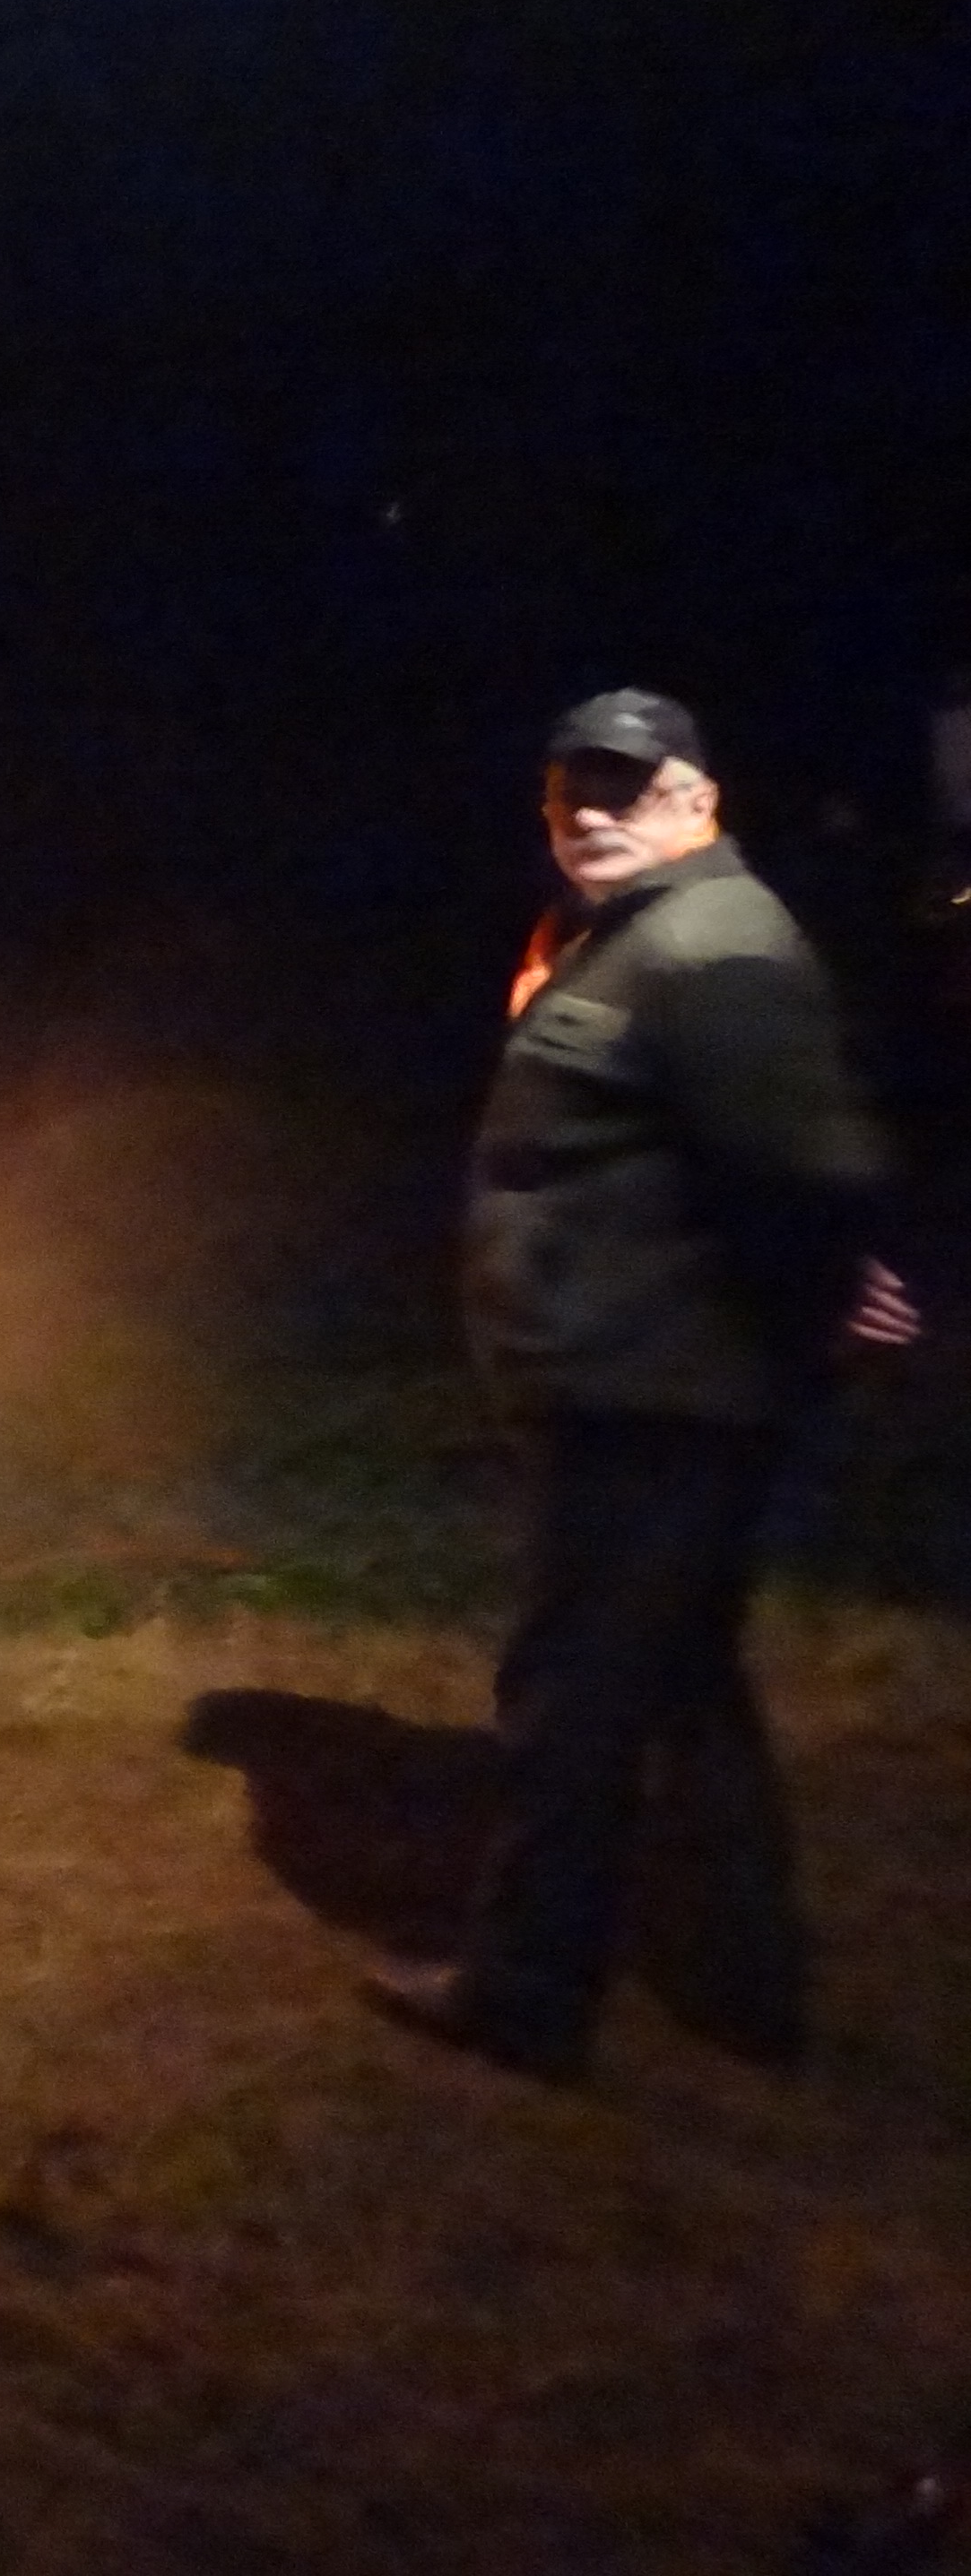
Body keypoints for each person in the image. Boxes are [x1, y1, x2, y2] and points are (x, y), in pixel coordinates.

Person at [368, 690, 921, 2081]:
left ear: (696, 798)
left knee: (572, 1696)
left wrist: (827, 1289)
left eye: (628, 787)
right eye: (571, 793)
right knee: (681, 1681)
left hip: (658, 1393)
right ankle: (750, 1984)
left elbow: (797, 1166)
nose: (594, 813)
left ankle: (525, 1991)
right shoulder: (621, 934)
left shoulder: (714, 946)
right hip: (638, 1378)